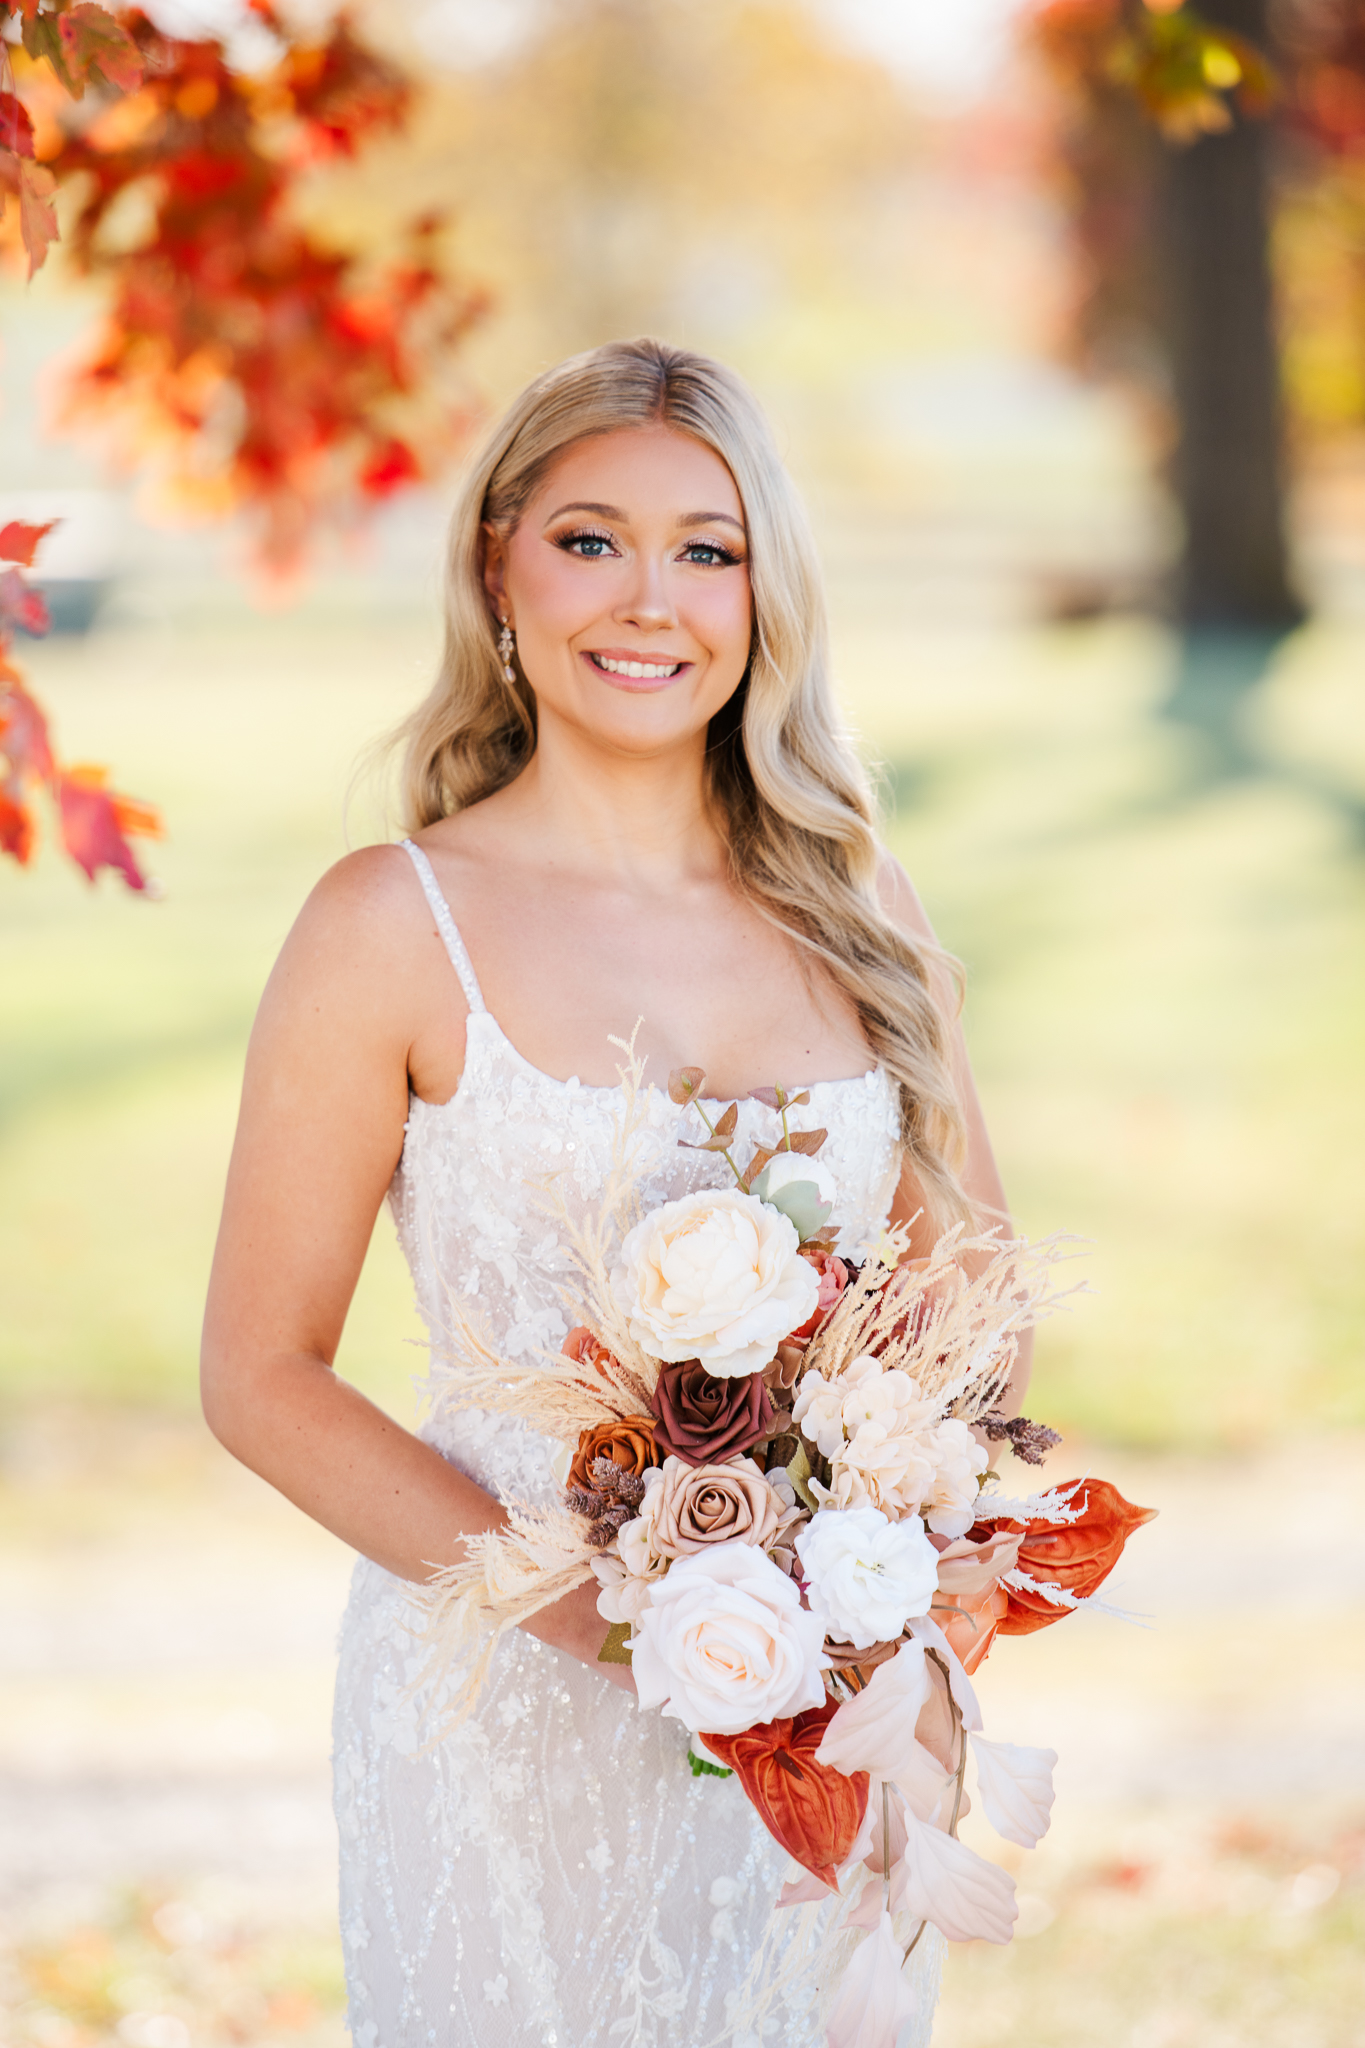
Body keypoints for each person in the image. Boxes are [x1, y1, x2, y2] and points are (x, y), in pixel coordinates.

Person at [201, 337, 1027, 2048]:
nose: (650, 600)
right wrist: (635, 1624)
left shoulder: (855, 901)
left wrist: (882, 1607)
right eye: (590, 540)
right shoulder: (388, 923)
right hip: (504, 1707)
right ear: (497, 563)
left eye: (706, 551)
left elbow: (976, 1322)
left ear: (762, 593)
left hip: (826, 1709)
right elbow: (260, 1376)